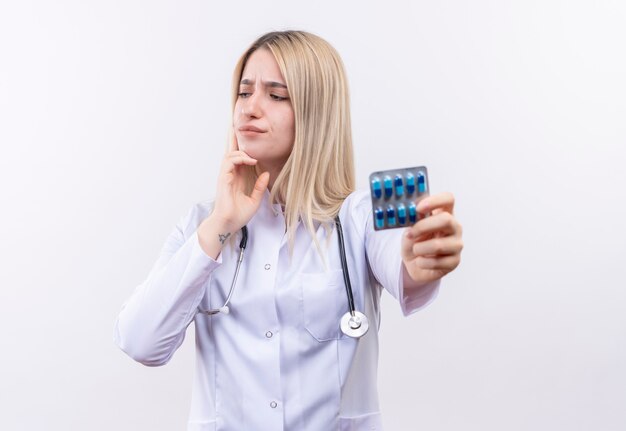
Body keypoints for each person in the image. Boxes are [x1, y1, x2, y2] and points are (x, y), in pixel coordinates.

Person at [115, 30, 463, 431]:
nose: (250, 109)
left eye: (276, 96)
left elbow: (403, 257)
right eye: (244, 93)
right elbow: (139, 342)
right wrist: (218, 228)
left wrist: (421, 258)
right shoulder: (200, 225)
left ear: (317, 112)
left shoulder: (359, 214)